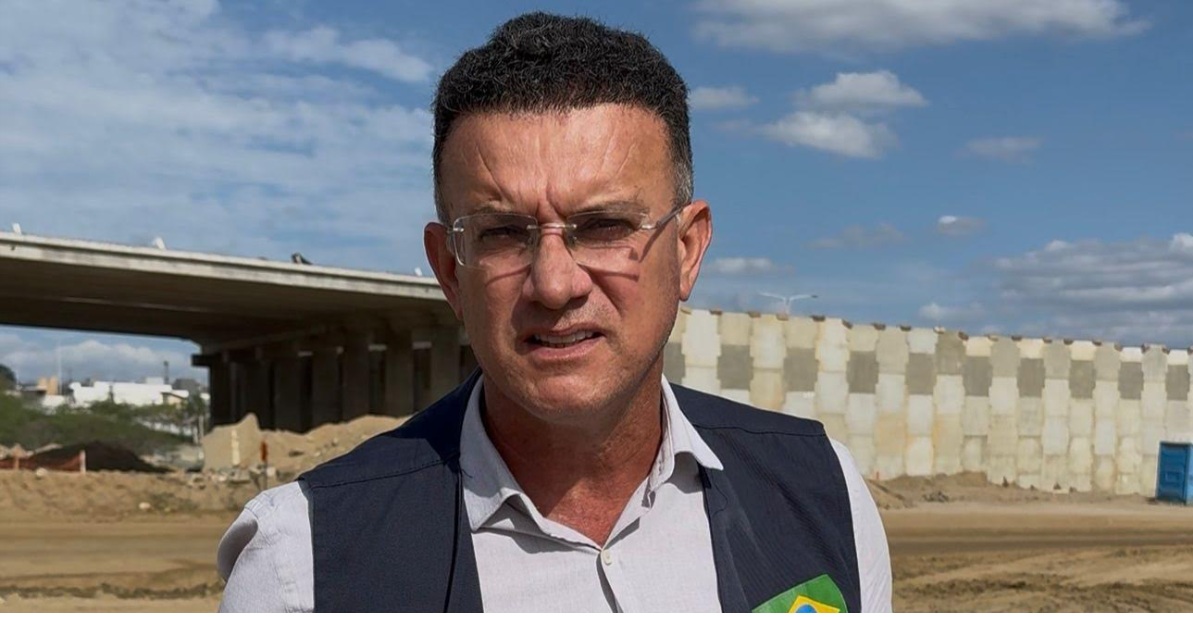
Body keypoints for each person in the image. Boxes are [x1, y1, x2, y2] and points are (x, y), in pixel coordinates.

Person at [217, 12, 891, 613]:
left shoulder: (819, 493)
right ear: (450, 270)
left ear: (686, 250)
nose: (554, 283)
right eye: (502, 233)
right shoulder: (306, 564)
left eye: (603, 226)